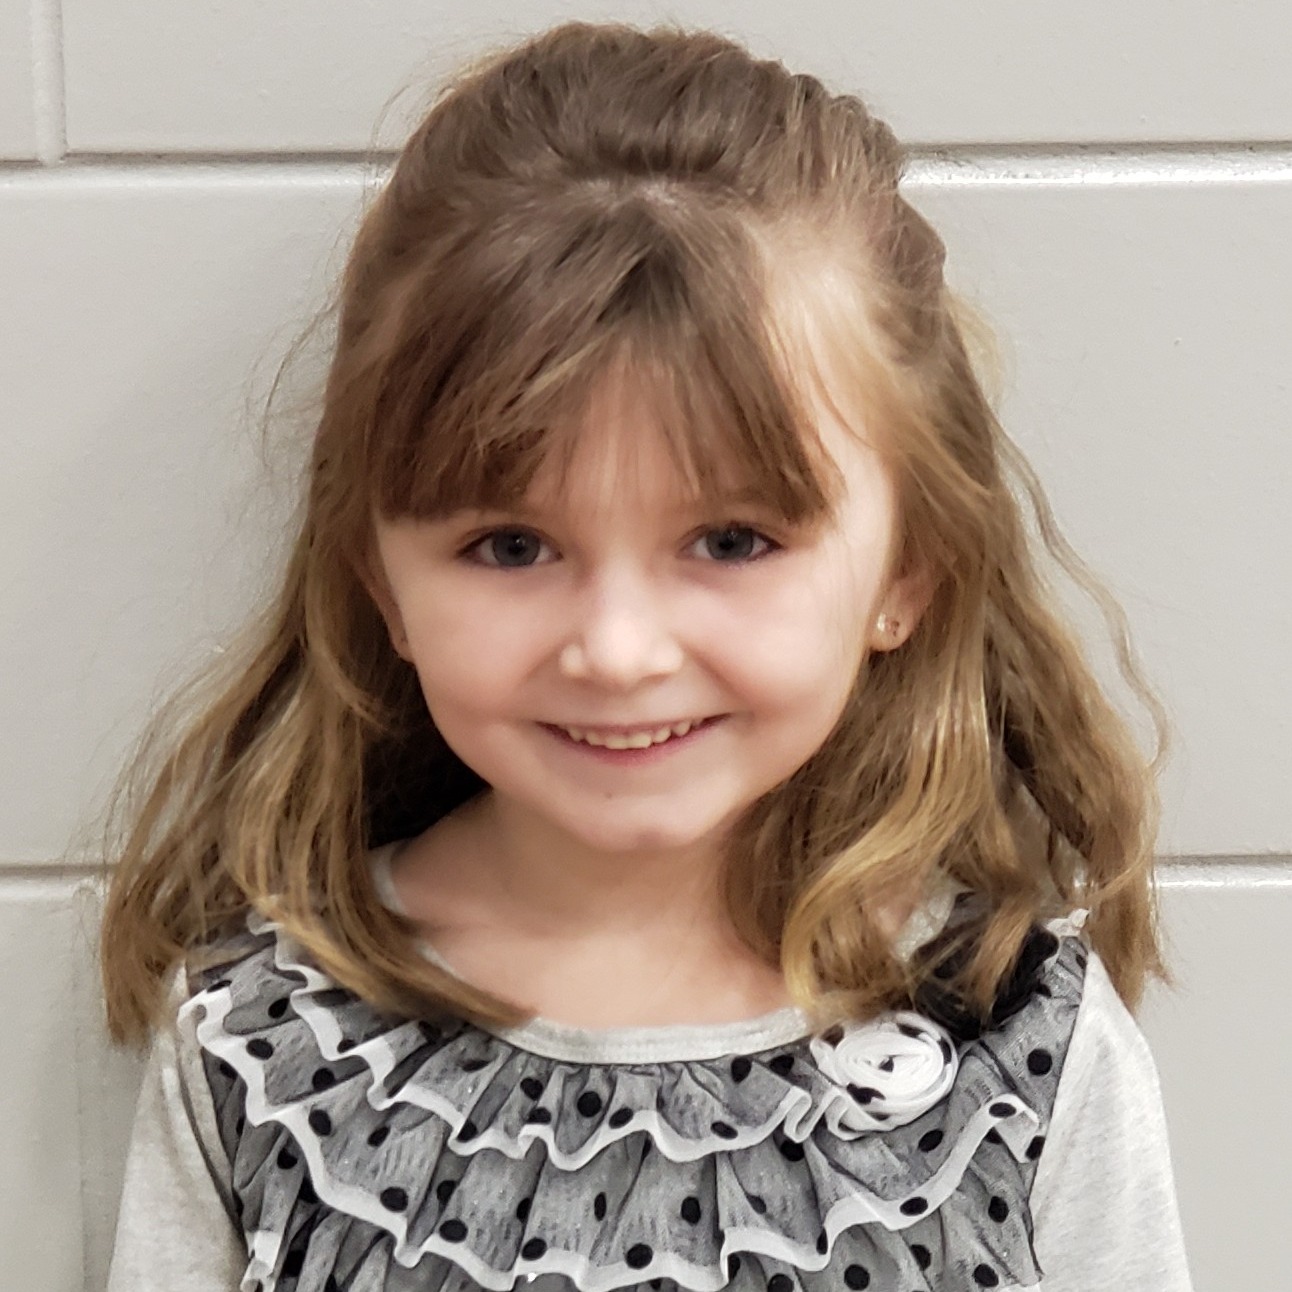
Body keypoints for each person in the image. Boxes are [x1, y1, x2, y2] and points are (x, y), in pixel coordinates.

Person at [100, 19, 1194, 1292]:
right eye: (510, 545)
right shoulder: (253, 1038)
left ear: (905, 571)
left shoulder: (1028, 1041)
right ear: (378, 584)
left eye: (730, 538)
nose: (616, 650)